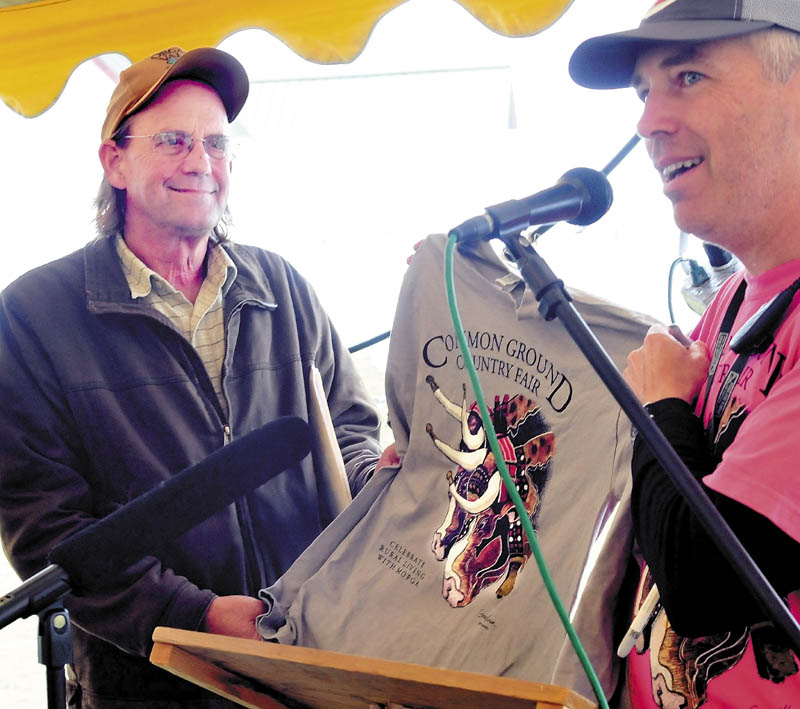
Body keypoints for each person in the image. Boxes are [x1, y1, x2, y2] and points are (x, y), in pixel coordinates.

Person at [0, 46, 391, 708]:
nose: (200, 162)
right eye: (174, 141)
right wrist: (196, 614)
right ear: (115, 162)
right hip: (151, 683)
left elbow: (348, 427)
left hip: (301, 661)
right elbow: (49, 528)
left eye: (215, 143)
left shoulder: (282, 287)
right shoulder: (35, 316)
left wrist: (378, 477)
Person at [569, 1, 800, 706]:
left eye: (689, 77)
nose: (646, 122)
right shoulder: (731, 301)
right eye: (644, 92)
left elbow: (704, 578)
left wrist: (661, 403)